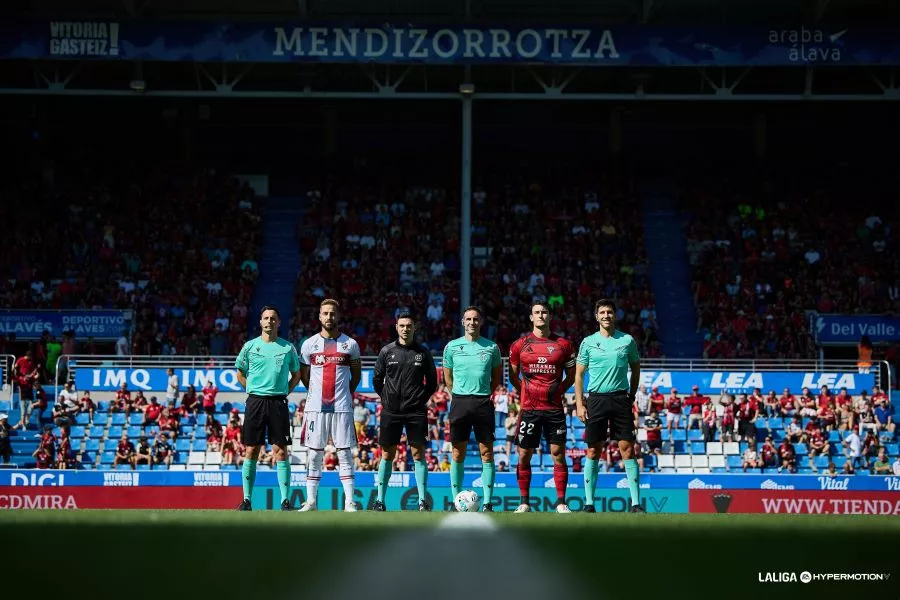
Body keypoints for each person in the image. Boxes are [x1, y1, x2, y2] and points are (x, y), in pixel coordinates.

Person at [574, 299, 643, 513]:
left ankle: (636, 504)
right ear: (596, 317)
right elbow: (579, 374)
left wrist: (632, 394)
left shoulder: (627, 340)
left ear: (615, 315)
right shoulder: (588, 342)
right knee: (593, 450)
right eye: (602, 312)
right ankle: (589, 503)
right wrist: (579, 403)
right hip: (596, 400)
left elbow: (636, 368)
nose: (606, 316)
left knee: (627, 449)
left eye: (609, 312)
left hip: (621, 399)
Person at [508, 302, 576, 513]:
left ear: (550, 316)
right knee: (524, 454)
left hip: (554, 409)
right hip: (529, 409)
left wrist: (558, 391)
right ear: (531, 317)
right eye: (536, 312)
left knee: (558, 453)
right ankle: (524, 502)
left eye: (544, 312)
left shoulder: (564, 344)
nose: (540, 315)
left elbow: (571, 376)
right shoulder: (519, 345)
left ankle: (561, 502)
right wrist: (526, 391)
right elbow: (513, 375)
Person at [234, 305, 302, 512]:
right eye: (266, 318)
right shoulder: (249, 346)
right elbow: (240, 372)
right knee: (251, 449)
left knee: (280, 451)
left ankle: (285, 501)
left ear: (278, 322)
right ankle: (247, 500)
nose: (269, 321)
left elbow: (297, 375)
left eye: (273, 318)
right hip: (255, 401)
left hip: (278, 402)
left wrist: (285, 391)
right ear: (260, 322)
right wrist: (252, 389)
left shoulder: (288, 348)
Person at [298, 299, 362, 512]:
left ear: (338, 316)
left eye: (332, 313)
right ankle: (311, 501)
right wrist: (316, 394)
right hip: (315, 408)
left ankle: (350, 502)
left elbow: (356, 376)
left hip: (342, 407)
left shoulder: (350, 344)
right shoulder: (309, 344)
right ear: (319, 316)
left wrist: (343, 394)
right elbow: (305, 377)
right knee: (315, 454)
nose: (329, 317)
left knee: (344, 453)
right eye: (325, 313)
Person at [371, 311, 438, 511]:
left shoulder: (423, 353)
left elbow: (432, 383)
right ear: (396, 327)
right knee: (387, 454)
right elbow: (377, 379)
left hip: (415, 412)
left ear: (415, 327)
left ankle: (422, 501)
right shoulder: (386, 351)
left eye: (409, 325)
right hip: (391, 411)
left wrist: (419, 400)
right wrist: (387, 398)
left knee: (418, 454)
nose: (405, 329)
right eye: (402, 325)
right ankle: (380, 500)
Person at [442, 306, 502, 512]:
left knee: (487, 453)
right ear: (462, 322)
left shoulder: (492, 347)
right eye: (468, 319)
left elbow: (496, 377)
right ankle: (456, 500)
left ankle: (487, 502)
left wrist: (484, 393)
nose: (472, 323)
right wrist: (458, 395)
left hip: (483, 402)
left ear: (481, 322)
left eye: (475, 319)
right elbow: (448, 378)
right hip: (460, 402)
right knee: (457, 452)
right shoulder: (451, 347)